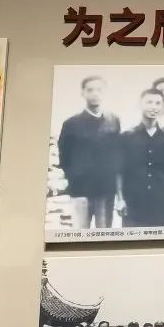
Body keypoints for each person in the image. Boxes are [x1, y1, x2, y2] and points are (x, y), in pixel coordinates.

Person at [56, 75, 122, 229]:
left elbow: (117, 154)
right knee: (80, 232)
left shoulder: (114, 120)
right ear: (83, 93)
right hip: (80, 189)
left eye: (99, 90)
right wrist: (74, 177)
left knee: (104, 233)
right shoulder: (71, 123)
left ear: (105, 93)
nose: (95, 94)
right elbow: (64, 155)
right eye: (90, 90)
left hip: (106, 189)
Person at [116, 88, 164, 226]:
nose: (153, 107)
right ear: (140, 104)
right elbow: (119, 170)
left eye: (158, 103)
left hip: (161, 200)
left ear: (162, 106)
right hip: (133, 201)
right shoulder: (127, 136)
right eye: (149, 102)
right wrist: (120, 199)